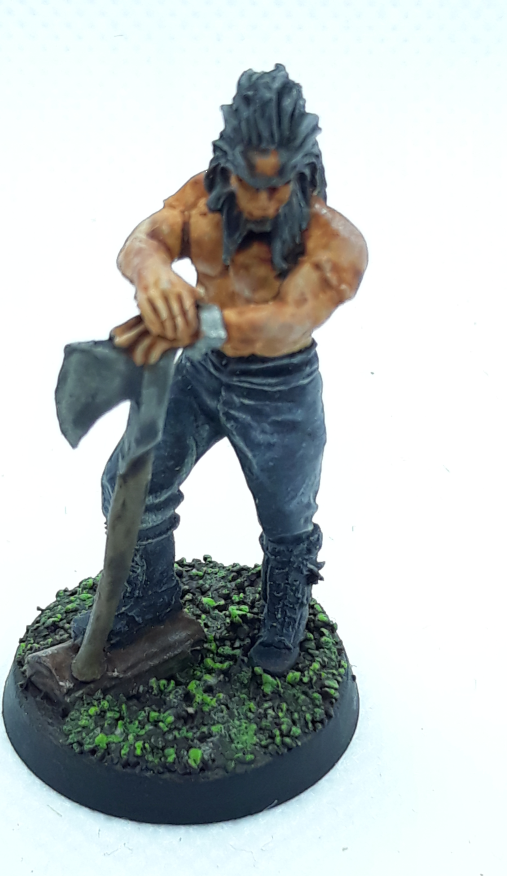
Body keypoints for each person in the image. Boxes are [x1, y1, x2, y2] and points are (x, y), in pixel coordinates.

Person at [73, 64, 368, 674]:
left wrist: (199, 321)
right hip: (200, 375)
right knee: (130, 484)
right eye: (247, 181)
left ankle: (285, 606)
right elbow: (142, 241)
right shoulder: (203, 201)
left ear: (301, 171)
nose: (259, 201)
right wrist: (154, 276)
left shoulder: (335, 241)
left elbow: (286, 320)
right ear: (226, 163)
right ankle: (150, 596)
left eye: (275, 185)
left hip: (280, 392)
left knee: (287, 514)